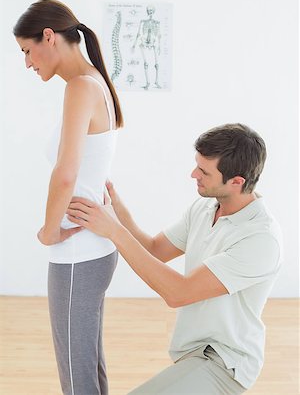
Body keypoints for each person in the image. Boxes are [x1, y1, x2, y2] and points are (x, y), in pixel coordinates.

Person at [67, 123, 283, 394]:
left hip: (226, 362)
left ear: (236, 181)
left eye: (204, 171)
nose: (193, 174)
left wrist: (113, 231)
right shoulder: (205, 207)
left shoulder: (260, 239)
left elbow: (178, 293)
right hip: (193, 352)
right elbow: (154, 249)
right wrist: (116, 208)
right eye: (197, 165)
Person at [14, 0, 124, 395]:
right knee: (88, 366)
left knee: (77, 377)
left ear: (49, 36)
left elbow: (66, 174)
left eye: (27, 51)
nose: (27, 63)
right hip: (93, 249)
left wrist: (48, 232)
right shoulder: (95, 81)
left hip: (77, 253)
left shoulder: (80, 87)